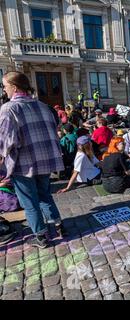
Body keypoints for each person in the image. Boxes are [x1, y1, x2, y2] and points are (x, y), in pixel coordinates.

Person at [0, 71, 66, 247]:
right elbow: (56, 130)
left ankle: (41, 236)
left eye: (5, 86)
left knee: (29, 202)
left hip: (23, 164)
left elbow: (5, 142)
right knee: (45, 195)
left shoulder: (9, 108)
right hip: (45, 160)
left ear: (14, 88)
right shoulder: (43, 106)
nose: (4, 90)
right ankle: (58, 225)